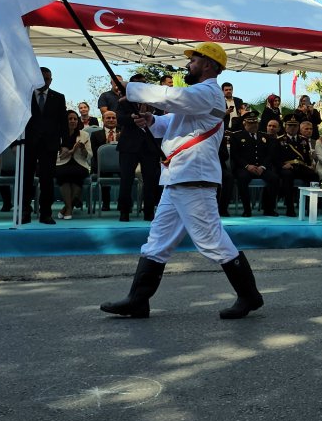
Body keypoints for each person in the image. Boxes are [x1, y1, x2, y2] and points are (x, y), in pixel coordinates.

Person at [100, 42, 264, 320]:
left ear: (208, 65)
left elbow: (170, 97)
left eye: (193, 60)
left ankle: (250, 295)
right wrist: (152, 120)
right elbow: (171, 122)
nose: (188, 64)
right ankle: (138, 300)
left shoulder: (207, 92)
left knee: (211, 240)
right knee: (157, 242)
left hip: (193, 177)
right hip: (179, 178)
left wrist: (130, 87)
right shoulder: (198, 96)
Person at [115, 75, 163, 222]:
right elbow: (120, 119)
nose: (140, 87)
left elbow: (160, 119)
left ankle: (149, 211)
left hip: (149, 145)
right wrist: (134, 117)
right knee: (126, 179)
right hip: (129, 144)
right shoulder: (124, 101)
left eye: (143, 84)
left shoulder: (154, 101)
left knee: (150, 180)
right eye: (137, 84)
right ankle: (124, 211)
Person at [22, 67, 66, 224]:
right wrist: (15, 143)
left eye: (47, 79)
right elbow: (16, 121)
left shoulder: (58, 98)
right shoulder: (24, 96)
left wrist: (65, 144)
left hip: (49, 145)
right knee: (26, 179)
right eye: (42, 78)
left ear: (51, 80)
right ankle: (25, 211)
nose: (45, 82)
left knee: (47, 181)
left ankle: (46, 213)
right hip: (28, 143)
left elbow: (63, 122)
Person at [230, 112, 280, 217]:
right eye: (250, 123)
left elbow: (269, 155)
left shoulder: (265, 137)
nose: (253, 125)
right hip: (244, 168)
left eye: (255, 123)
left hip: (261, 168)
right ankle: (247, 210)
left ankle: (269, 209)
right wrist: (247, 166)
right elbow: (235, 155)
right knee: (242, 178)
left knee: (274, 178)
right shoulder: (237, 136)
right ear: (245, 124)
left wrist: (263, 166)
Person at [54, 110, 92, 220]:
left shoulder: (84, 135)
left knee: (78, 174)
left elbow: (89, 156)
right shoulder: (58, 134)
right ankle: (70, 207)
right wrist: (70, 151)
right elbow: (56, 155)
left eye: (75, 119)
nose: (73, 121)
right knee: (63, 174)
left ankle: (67, 207)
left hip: (79, 163)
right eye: (70, 119)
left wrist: (83, 149)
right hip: (61, 163)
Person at [279, 119, 316, 216]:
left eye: (295, 126)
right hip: (287, 167)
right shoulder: (280, 140)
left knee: (314, 176)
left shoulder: (303, 140)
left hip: (300, 166)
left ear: (298, 127)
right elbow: (275, 157)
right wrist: (282, 164)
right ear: (285, 127)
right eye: (290, 125)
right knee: (287, 177)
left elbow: (307, 157)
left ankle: (310, 207)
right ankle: (290, 208)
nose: (292, 128)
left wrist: (310, 165)